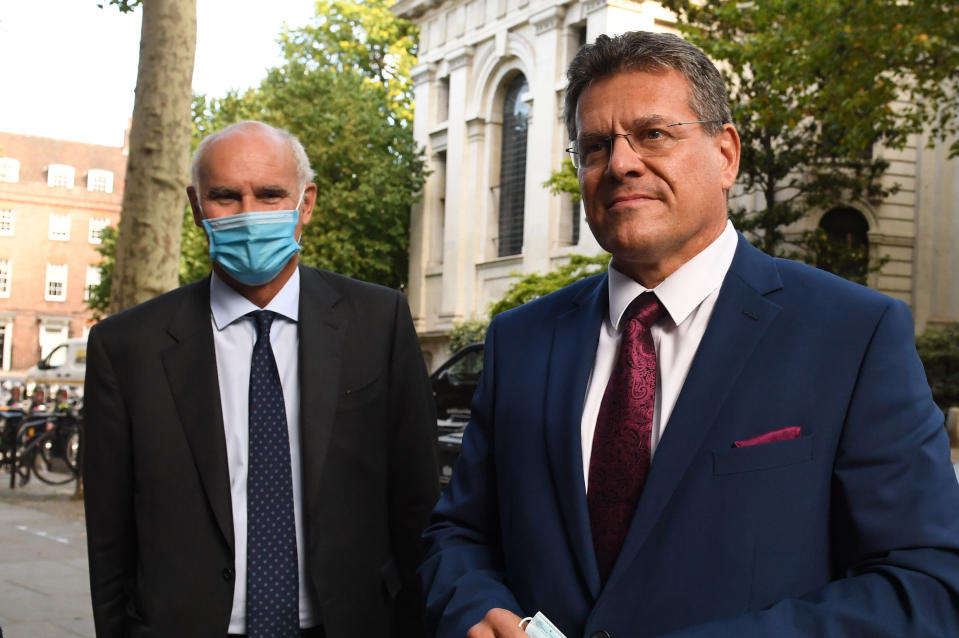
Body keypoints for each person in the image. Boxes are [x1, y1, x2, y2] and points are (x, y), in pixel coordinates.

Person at [419, 31, 959, 638]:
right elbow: (459, 534)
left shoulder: (854, 335)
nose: (620, 163)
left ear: (725, 154)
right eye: (595, 146)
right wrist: (474, 609)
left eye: (653, 134)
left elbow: (923, 582)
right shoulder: (520, 341)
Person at [83, 121, 439, 638]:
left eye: (271, 195)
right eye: (225, 196)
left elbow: (417, 504)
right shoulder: (126, 347)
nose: (249, 214)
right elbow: (110, 536)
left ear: (306, 203)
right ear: (196, 205)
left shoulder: (378, 321)